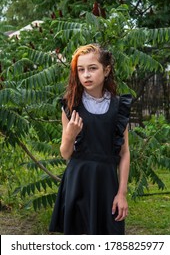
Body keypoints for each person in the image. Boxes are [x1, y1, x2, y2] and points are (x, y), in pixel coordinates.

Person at [49, 43, 132, 235]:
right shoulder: (71, 106)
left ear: (106, 70)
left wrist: (122, 193)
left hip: (107, 185)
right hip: (77, 183)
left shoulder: (118, 107)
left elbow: (125, 152)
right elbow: (65, 153)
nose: (86, 74)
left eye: (92, 68)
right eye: (81, 70)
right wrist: (70, 136)